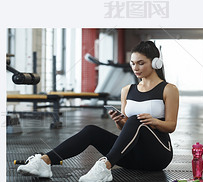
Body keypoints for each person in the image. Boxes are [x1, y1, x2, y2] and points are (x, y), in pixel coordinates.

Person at [17, 41, 179, 182]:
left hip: (158, 156)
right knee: (91, 131)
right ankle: (45, 162)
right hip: (131, 157)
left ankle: (105, 167)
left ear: (156, 63)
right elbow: (125, 130)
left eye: (141, 63)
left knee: (136, 120)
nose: (135, 68)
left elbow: (171, 126)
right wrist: (119, 121)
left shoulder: (168, 89)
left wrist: (153, 121)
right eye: (132, 63)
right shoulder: (127, 90)